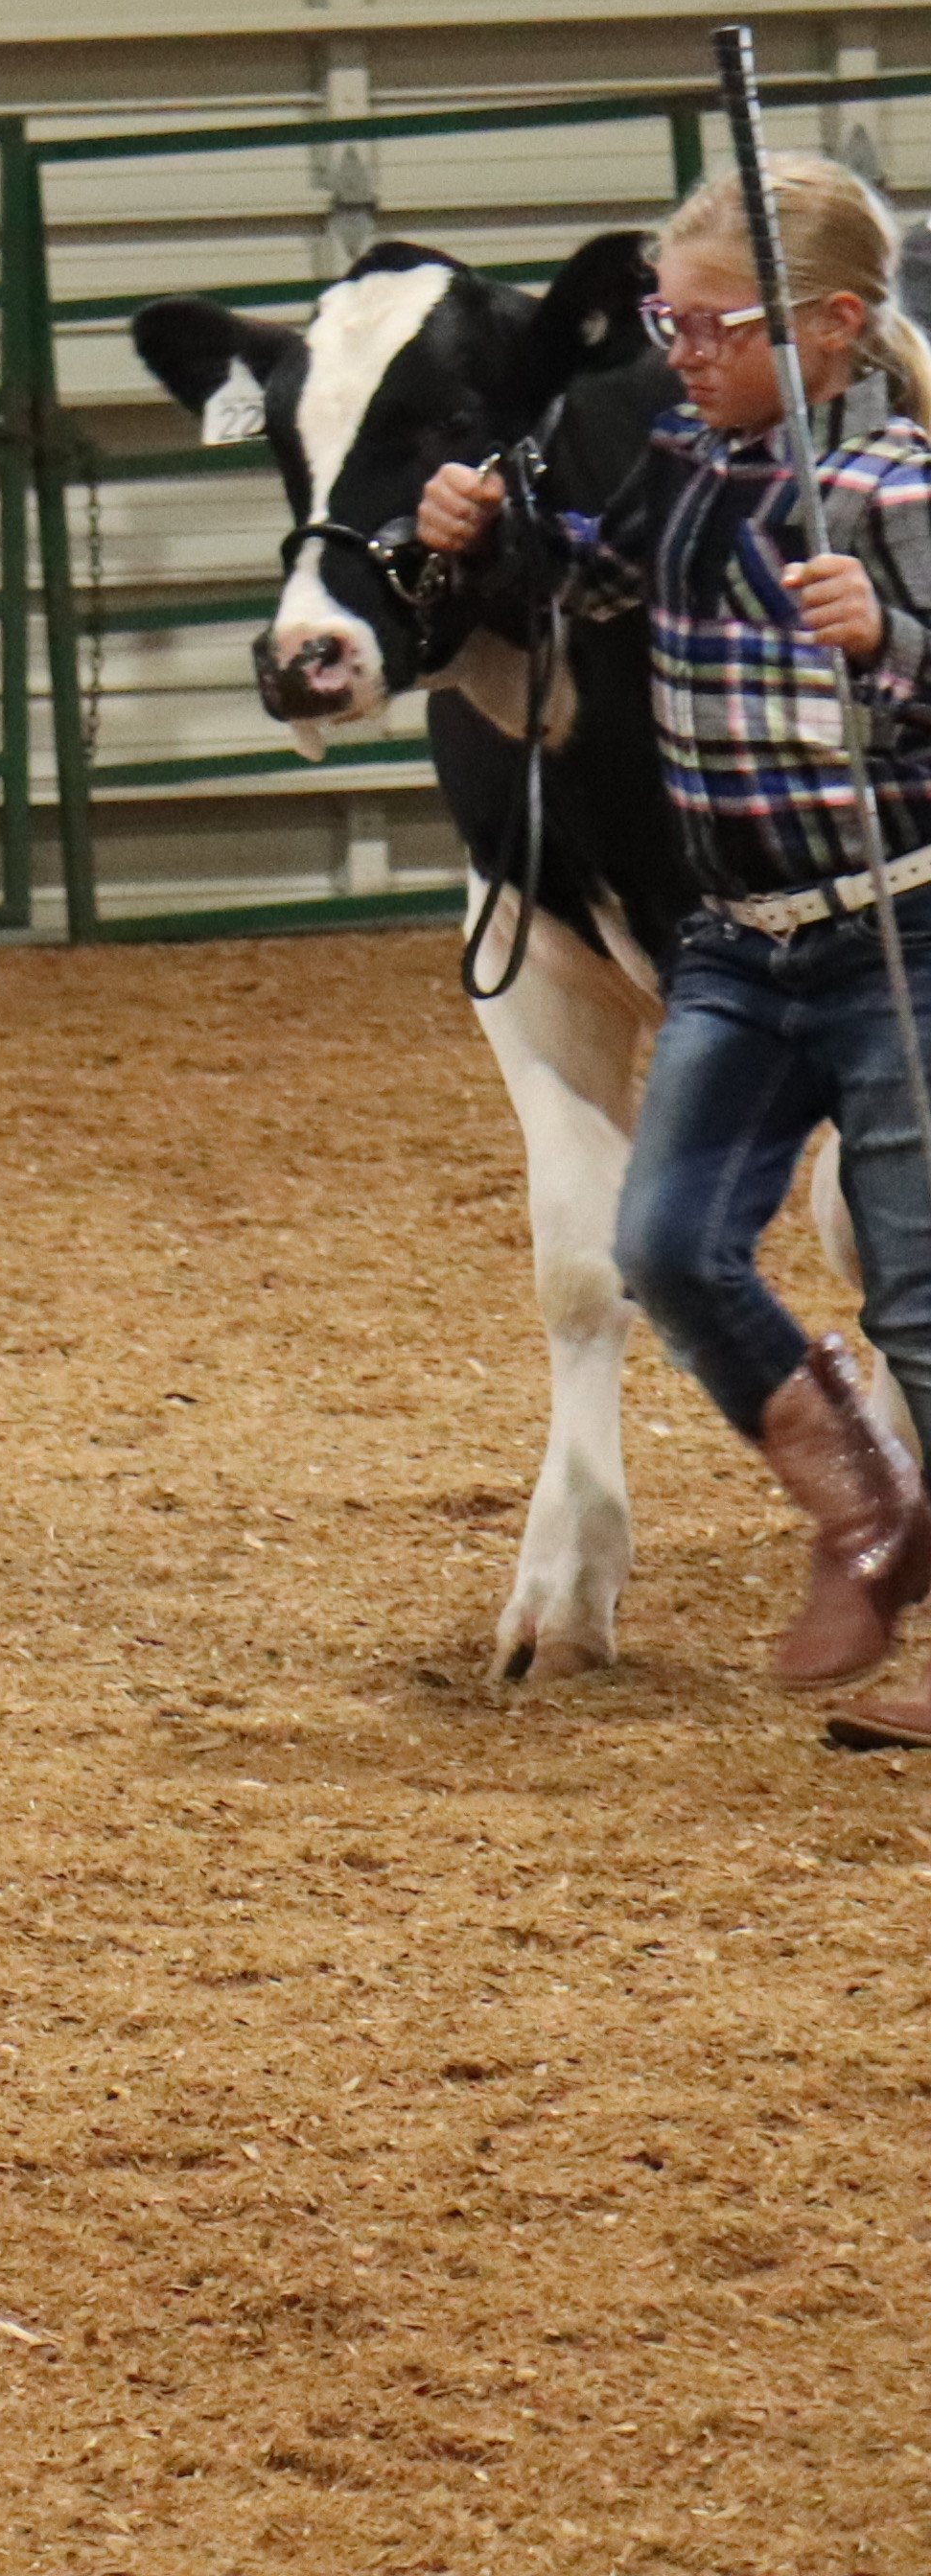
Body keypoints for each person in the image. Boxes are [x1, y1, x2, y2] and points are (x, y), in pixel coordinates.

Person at [415, 151, 931, 1736]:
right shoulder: (687, 463)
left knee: (919, 1290)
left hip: (896, 932)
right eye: (668, 320)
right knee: (667, 1245)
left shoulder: (901, 491)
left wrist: (896, 641)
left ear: (830, 328)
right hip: (736, 943)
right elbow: (599, 588)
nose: (679, 352)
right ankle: (872, 1514)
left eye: (711, 327)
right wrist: (482, 543)